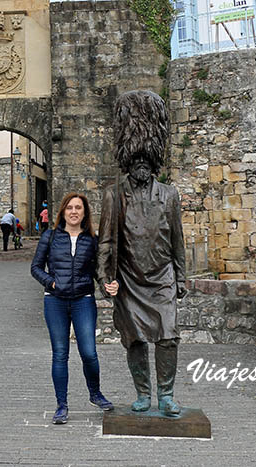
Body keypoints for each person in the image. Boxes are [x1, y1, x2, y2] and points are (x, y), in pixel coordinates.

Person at [97, 90, 186, 418]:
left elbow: (178, 241)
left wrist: (182, 276)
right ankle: (143, 394)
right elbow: (105, 241)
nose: (141, 169)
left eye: (146, 164)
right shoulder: (113, 195)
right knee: (134, 340)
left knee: (168, 337)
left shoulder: (170, 196)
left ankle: (166, 395)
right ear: (129, 163)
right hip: (129, 280)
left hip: (162, 278)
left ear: (153, 164)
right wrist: (105, 278)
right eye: (136, 164)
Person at [31, 191, 115, 424]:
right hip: (55, 301)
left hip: (83, 300)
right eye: (70, 208)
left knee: (89, 352)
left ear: (85, 212)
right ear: (63, 212)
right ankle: (61, 405)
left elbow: (100, 272)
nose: (74, 212)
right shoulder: (50, 236)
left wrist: (109, 287)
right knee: (60, 354)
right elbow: (35, 267)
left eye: (78, 208)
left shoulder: (92, 239)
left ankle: (95, 393)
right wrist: (51, 282)